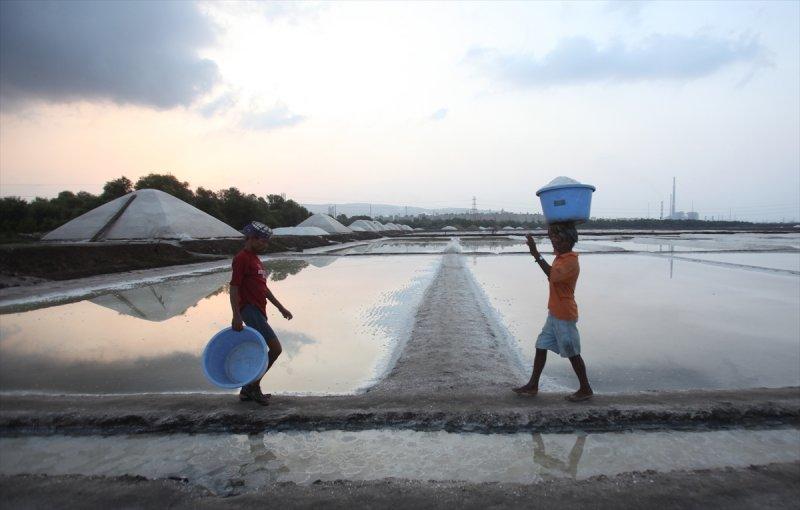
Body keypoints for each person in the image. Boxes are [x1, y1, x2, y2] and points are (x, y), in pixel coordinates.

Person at [513, 223, 594, 402]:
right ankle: (533, 385)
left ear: (569, 241)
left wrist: (536, 254)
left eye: (560, 240)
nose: (555, 243)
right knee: (541, 345)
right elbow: (553, 271)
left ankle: (586, 388)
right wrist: (551, 233)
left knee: (572, 351)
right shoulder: (561, 257)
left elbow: (552, 275)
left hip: (564, 314)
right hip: (554, 312)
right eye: (554, 239)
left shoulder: (571, 260)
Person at [230, 221, 293, 405]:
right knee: (275, 349)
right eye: (263, 242)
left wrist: (281, 307)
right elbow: (234, 288)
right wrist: (236, 315)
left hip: (259, 309)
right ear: (251, 238)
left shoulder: (256, 259)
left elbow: (263, 288)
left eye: (266, 242)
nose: (265, 245)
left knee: (261, 351)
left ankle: (247, 391)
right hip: (249, 310)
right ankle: (252, 387)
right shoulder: (242, 258)